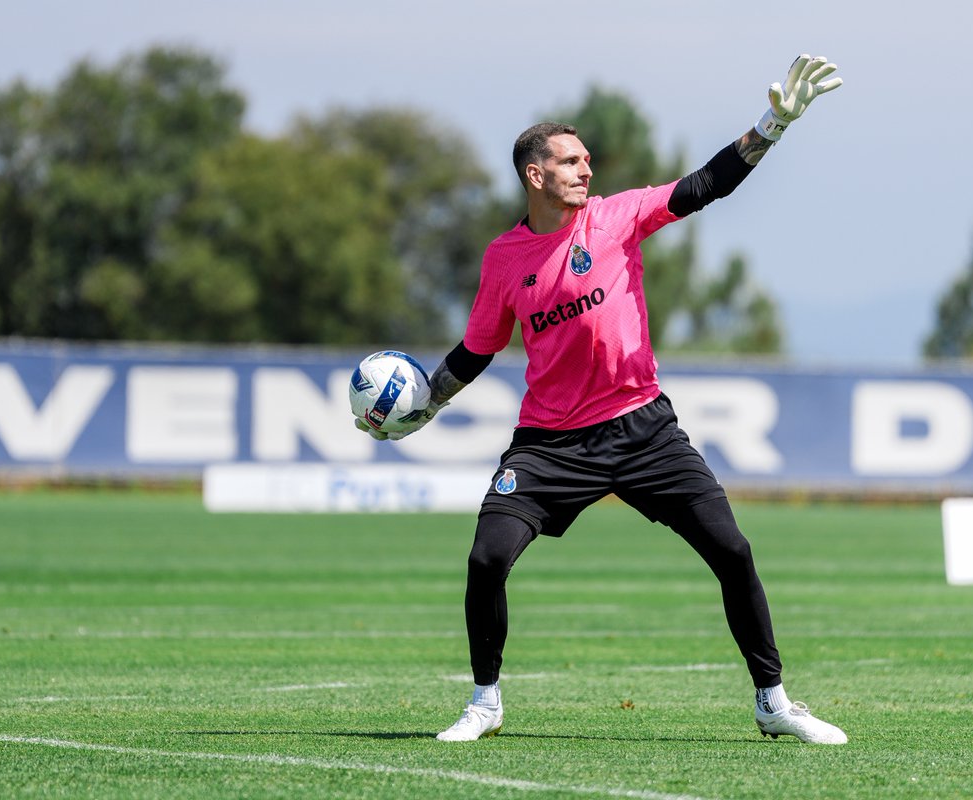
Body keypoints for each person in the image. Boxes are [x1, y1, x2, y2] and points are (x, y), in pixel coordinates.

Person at [356, 56, 846, 744]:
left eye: (587, 160)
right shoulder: (504, 259)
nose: (587, 170)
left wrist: (772, 126)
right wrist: (424, 406)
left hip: (644, 430)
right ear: (536, 175)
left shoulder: (617, 218)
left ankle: (773, 702)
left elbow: (705, 185)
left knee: (732, 552)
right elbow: (476, 349)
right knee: (486, 558)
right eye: (571, 161)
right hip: (550, 444)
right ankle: (485, 703)